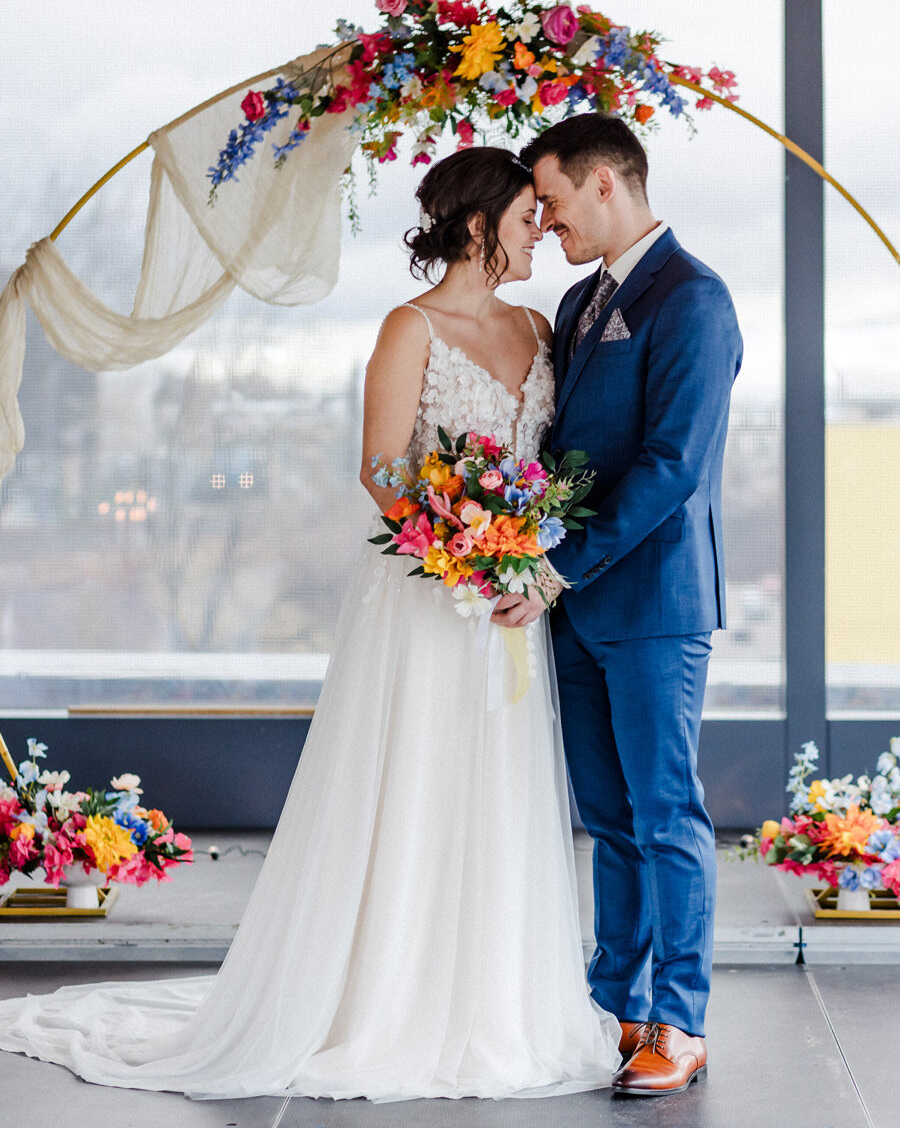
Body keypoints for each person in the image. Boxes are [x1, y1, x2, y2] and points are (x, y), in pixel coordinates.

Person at [0, 147, 620, 1101]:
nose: (542, 226)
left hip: (509, 603)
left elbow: (551, 462)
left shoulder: (544, 325)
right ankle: (384, 1000)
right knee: (414, 780)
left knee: (495, 788)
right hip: (427, 596)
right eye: (527, 213)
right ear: (476, 226)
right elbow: (379, 468)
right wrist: (462, 542)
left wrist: (521, 551)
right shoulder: (408, 327)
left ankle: (492, 1000)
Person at [493, 114, 743, 1096]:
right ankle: (617, 1005)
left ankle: (681, 1019)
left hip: (653, 601)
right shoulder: (575, 298)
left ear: (606, 184)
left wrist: (561, 566)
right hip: (575, 603)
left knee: (666, 810)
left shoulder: (695, 298)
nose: (545, 222)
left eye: (551, 201)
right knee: (607, 815)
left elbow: (674, 468)